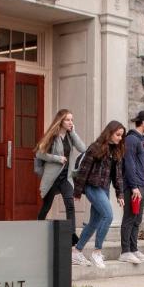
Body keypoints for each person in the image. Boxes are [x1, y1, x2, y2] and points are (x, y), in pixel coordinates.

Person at [72, 120, 126, 269]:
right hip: (92, 187)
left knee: (94, 222)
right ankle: (97, 252)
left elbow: (118, 176)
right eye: (118, 135)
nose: (120, 138)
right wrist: (77, 191)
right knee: (108, 216)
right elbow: (84, 170)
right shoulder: (95, 148)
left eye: (121, 136)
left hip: (104, 189)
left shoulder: (116, 151)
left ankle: (76, 252)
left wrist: (120, 194)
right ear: (109, 133)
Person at [35, 109, 88, 258]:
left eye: (72, 120)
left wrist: (74, 133)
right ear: (61, 121)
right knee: (46, 206)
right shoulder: (52, 136)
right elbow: (39, 154)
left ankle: (71, 235)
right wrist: (57, 158)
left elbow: (83, 149)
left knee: (70, 204)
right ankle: (37, 228)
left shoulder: (70, 137)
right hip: (53, 178)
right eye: (68, 120)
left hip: (66, 178)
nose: (71, 122)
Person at [119, 110, 144, 265]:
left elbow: (140, 163)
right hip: (133, 186)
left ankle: (134, 249)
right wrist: (134, 187)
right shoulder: (131, 140)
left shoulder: (141, 140)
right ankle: (125, 251)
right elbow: (129, 165)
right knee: (129, 218)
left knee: (137, 219)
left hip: (140, 184)